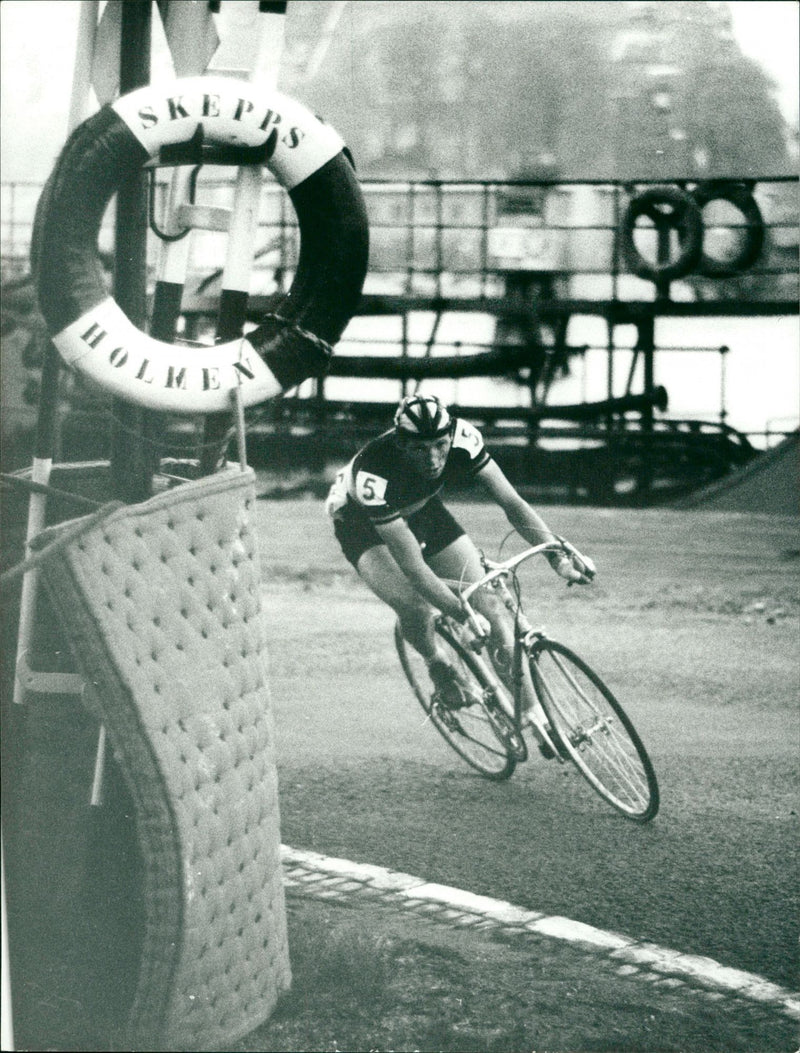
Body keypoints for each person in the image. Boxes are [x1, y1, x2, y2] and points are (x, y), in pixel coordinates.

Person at [324, 393, 596, 755]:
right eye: (420, 450)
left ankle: (536, 721)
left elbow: (512, 503)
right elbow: (415, 569)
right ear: (401, 442)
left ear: (450, 434)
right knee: (416, 605)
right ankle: (436, 661)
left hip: (422, 510)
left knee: (494, 609)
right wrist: (461, 615)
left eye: (440, 445)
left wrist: (556, 556)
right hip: (363, 526)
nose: (434, 458)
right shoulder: (374, 473)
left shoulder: (465, 439)